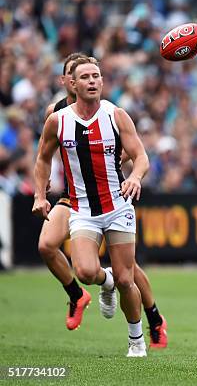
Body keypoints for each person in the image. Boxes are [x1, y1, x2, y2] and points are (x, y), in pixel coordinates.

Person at [37, 53, 168, 348]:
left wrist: (131, 173)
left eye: (94, 75)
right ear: (67, 81)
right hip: (73, 197)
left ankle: (154, 318)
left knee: (128, 273)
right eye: (81, 75)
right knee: (49, 247)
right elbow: (42, 156)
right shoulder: (56, 115)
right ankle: (78, 294)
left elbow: (132, 152)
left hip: (112, 197)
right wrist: (40, 190)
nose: (89, 80)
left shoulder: (113, 113)